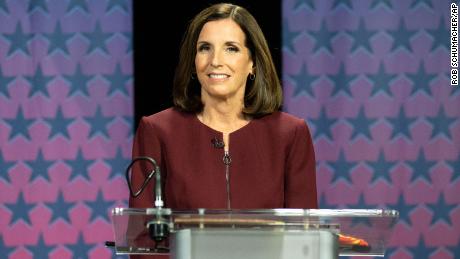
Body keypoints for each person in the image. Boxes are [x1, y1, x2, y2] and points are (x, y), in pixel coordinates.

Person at [129, 3, 318, 257]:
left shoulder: (290, 134)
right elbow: (143, 242)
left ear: (252, 62)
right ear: (194, 61)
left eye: (231, 48)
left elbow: (304, 239)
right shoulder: (157, 131)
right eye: (205, 48)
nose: (215, 61)